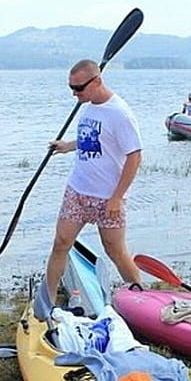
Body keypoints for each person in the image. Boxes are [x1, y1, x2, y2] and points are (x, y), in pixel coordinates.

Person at [44, 58, 143, 300]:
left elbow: (134, 156)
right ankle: (47, 300)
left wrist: (117, 198)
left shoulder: (120, 114)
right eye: (71, 88)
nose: (74, 94)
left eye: (78, 88)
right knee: (61, 243)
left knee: (116, 251)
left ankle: (142, 297)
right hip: (78, 191)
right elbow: (96, 139)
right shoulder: (88, 106)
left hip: (107, 198)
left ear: (97, 81)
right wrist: (68, 146)